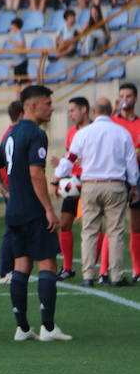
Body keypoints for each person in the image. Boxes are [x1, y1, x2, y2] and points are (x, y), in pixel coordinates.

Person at [0, 85, 71, 342]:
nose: (51, 107)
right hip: (33, 210)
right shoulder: (36, 134)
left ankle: (22, 328)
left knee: (21, 264)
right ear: (32, 106)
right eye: (47, 103)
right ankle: (48, 327)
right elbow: (36, 173)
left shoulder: (11, 134)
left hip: (14, 211)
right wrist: (48, 209)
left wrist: (5, 191)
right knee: (47, 263)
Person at [55, 98, 139, 287]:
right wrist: (133, 186)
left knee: (89, 231)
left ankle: (88, 275)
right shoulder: (122, 132)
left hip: (90, 184)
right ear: (110, 111)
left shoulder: (83, 133)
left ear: (93, 111)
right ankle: (116, 275)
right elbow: (131, 162)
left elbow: (70, 158)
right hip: (115, 185)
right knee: (115, 231)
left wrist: (57, 177)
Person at [52, 97, 91, 281]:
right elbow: (70, 158)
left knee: (91, 226)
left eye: (72, 110)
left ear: (84, 110)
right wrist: (59, 178)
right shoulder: (71, 133)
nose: (70, 114)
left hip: (92, 182)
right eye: (68, 111)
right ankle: (67, 267)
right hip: (73, 184)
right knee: (65, 223)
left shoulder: (95, 131)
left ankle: (93, 268)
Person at [111, 82, 140, 283]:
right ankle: (105, 271)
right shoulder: (112, 123)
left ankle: (137, 270)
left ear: (135, 99)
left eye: (129, 96)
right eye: (122, 96)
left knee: (136, 225)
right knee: (113, 225)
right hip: (117, 176)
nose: (125, 99)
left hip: (137, 176)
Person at [0, 100, 24, 285]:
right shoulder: (13, 135)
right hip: (13, 189)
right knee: (12, 229)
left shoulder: (10, 134)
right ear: (22, 114)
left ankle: (14, 269)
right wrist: (7, 189)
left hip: (11, 188)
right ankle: (6, 270)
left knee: (17, 229)